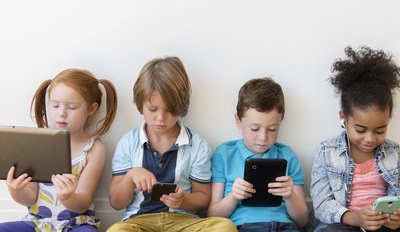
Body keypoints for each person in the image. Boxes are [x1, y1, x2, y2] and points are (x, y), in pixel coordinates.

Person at [107, 56, 236, 232]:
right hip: (139, 222)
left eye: (169, 110)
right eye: (152, 109)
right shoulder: (128, 143)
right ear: (140, 104)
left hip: (183, 221)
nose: (160, 118)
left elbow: (203, 198)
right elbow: (116, 202)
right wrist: (130, 177)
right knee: (116, 230)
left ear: (180, 106)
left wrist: (184, 201)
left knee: (224, 227)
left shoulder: (196, 145)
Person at [0, 68, 118, 232]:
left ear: (91, 109)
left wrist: (68, 197)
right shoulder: (38, 142)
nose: (61, 113)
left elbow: (83, 202)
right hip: (37, 223)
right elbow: (30, 198)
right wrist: (15, 190)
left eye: (72, 107)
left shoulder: (93, 149)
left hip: (76, 224)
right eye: (55, 105)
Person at [311, 46, 400, 232]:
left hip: (382, 226)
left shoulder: (395, 153)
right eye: (360, 129)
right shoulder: (326, 152)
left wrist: (395, 218)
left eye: (380, 130)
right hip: (343, 225)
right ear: (344, 117)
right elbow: (321, 205)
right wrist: (355, 218)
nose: (370, 139)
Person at [207, 77, 308, 232]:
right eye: (254, 128)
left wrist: (290, 196)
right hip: (243, 227)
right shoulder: (224, 154)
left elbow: (302, 220)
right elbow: (212, 216)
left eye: (272, 129)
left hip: (285, 227)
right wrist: (233, 196)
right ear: (238, 120)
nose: (263, 138)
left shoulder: (287, 155)